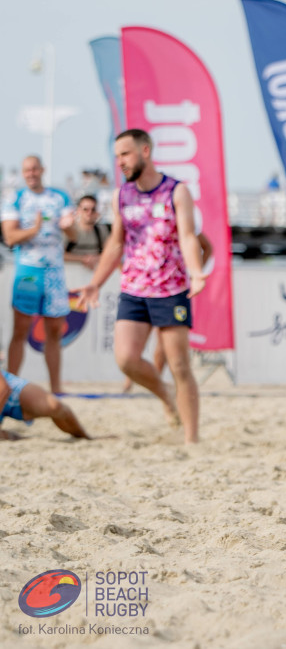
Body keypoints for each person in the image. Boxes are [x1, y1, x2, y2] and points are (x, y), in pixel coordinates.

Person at [77, 129, 207, 444]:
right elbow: (115, 244)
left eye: (125, 154)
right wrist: (95, 283)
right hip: (134, 288)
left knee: (179, 365)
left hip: (171, 289)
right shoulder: (122, 195)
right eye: (117, 155)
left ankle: (192, 440)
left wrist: (196, 272)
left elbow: (189, 237)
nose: (119, 162)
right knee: (126, 359)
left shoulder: (176, 191)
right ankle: (164, 395)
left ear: (145, 151)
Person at [1, 155, 77, 394]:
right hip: (28, 272)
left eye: (34, 169)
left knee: (55, 332)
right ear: (23, 173)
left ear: (42, 169)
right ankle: (10, 388)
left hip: (54, 272)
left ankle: (56, 388)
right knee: (20, 331)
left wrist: (68, 227)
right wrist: (34, 229)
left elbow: (74, 236)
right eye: (27, 170)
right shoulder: (15, 198)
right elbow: (10, 238)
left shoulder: (60, 196)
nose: (31, 173)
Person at [121, 232, 213, 393]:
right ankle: (137, 381)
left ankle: (156, 385)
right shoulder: (143, 223)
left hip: (172, 288)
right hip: (142, 287)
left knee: (165, 345)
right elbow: (118, 246)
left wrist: (194, 274)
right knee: (134, 348)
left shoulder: (182, 221)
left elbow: (207, 247)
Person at [0, 369, 91, 440]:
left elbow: (4, 389)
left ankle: (84, 435)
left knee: (54, 406)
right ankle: (12, 436)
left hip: (11, 389)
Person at [64, 194, 110, 270]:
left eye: (93, 209)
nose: (89, 213)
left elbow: (110, 253)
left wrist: (96, 258)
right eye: (85, 209)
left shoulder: (102, 230)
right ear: (78, 211)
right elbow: (59, 255)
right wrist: (82, 259)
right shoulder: (70, 230)